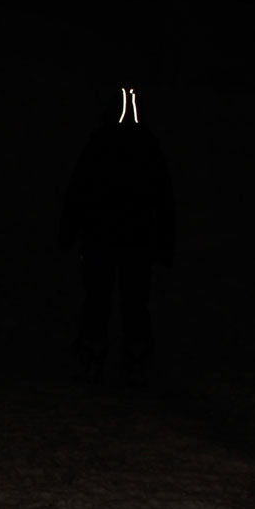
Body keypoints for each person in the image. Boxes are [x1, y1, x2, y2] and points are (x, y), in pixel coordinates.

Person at [58, 86, 176, 387]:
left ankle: (98, 357)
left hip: (107, 237)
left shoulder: (102, 145)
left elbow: (77, 191)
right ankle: (127, 360)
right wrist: (165, 243)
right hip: (129, 239)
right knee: (126, 302)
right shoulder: (144, 147)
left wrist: (67, 235)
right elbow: (164, 199)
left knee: (105, 300)